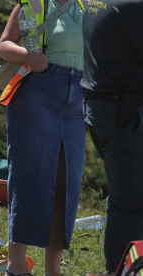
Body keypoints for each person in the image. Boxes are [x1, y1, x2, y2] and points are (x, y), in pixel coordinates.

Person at [0, 0, 87, 275]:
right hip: (36, 92)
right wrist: (27, 54)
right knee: (29, 174)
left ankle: (53, 270)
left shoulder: (88, 6)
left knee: (66, 181)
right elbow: (3, 46)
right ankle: (17, 265)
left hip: (78, 96)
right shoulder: (33, 3)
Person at [81, 0, 143, 273]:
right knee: (129, 202)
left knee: (124, 193)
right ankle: (119, 270)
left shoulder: (99, 1)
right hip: (121, 113)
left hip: (103, 109)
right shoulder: (132, 6)